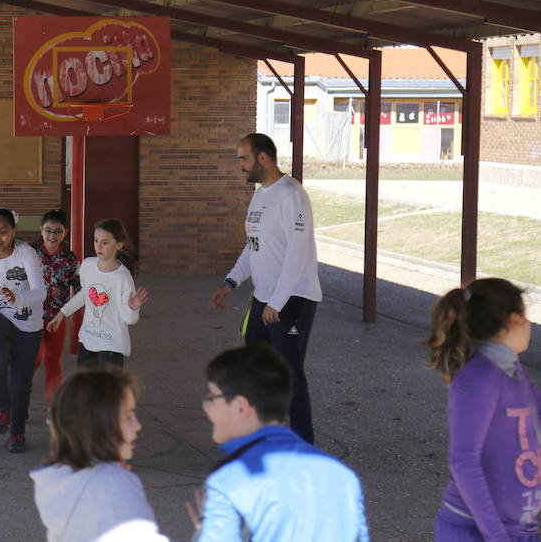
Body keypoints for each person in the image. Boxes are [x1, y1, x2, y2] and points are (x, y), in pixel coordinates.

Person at [188, 343, 368, 541]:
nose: (206, 408)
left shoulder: (227, 481)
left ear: (240, 407)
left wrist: (203, 530)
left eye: (211, 398)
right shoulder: (343, 477)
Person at [211, 132, 321, 444]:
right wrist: (231, 281)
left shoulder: (291, 195)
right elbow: (253, 246)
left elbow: (297, 254)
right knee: (254, 372)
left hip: (292, 300)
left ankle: (303, 444)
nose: (240, 166)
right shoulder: (260, 196)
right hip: (264, 299)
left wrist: (278, 301)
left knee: (289, 374)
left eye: (244, 159)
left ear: (262, 158)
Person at [423, 278, 538, 541]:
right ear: (513, 319)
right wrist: (497, 536)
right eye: (526, 316)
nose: (529, 325)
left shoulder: (513, 371)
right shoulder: (479, 378)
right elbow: (464, 461)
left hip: (517, 529)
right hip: (477, 532)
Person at [30, 368, 168, 542]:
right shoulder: (115, 483)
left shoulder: (57, 479)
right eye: (128, 417)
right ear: (100, 425)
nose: (138, 425)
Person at [0, 208, 46, 453]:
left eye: (3, 231)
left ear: (14, 231)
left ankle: (17, 431)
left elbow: (41, 292)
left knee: (20, 380)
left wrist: (18, 298)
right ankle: (1, 409)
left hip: (29, 324)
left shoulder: (25, 253)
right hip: (0, 317)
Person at [47, 219, 148, 368]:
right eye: (96, 240)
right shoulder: (88, 265)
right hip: (88, 340)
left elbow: (129, 319)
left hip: (112, 345)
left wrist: (133, 308)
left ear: (119, 245)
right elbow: (84, 295)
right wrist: (62, 313)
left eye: (105, 242)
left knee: (108, 390)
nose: (98, 246)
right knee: (85, 387)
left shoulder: (122, 277)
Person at [32, 209, 82, 409]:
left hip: (56, 319)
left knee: (53, 362)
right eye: (48, 230)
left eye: (58, 231)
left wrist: (66, 313)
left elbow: (80, 288)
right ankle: (19, 403)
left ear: (66, 233)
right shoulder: (30, 253)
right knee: (31, 362)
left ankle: (54, 409)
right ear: (41, 230)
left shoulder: (70, 259)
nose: (52, 236)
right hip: (31, 318)